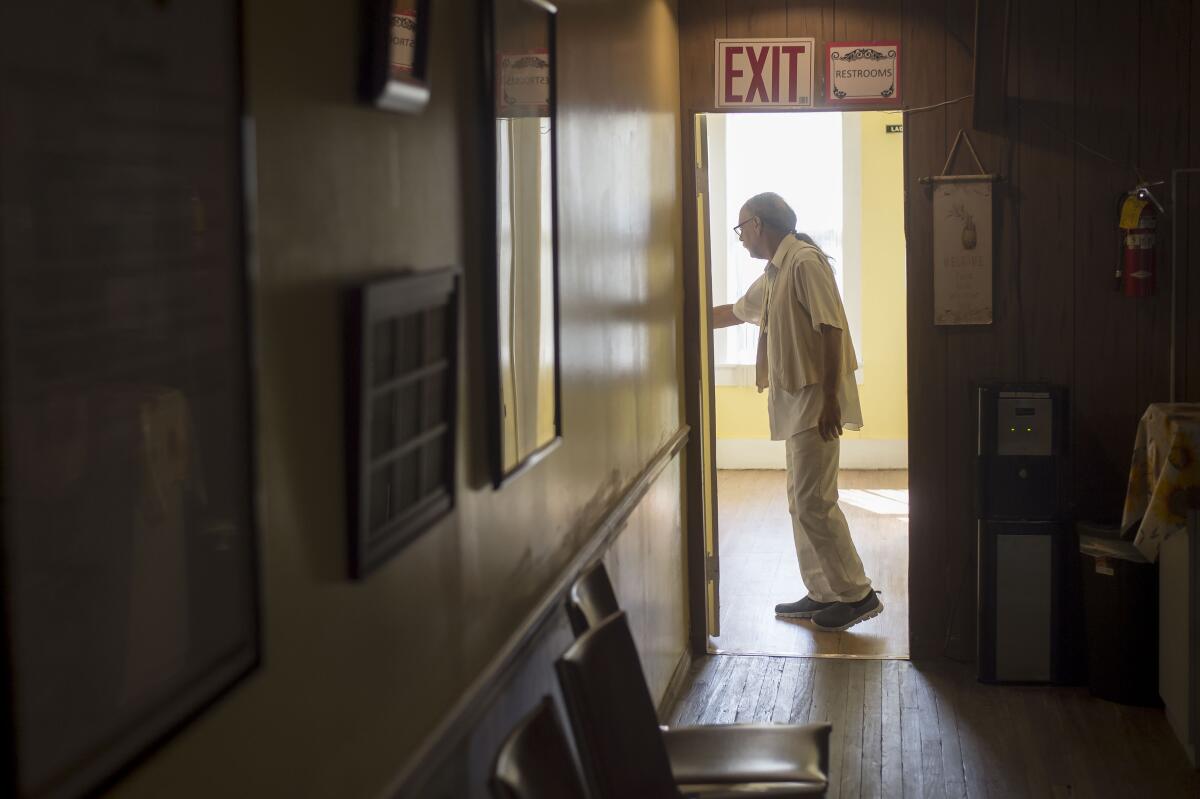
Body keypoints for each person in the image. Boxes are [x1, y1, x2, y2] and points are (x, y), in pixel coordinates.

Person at [712, 192, 881, 632]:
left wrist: (830, 399)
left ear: (759, 226)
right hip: (795, 401)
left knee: (814, 502)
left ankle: (857, 593)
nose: (740, 236)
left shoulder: (804, 262)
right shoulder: (774, 272)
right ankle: (823, 590)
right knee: (799, 501)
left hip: (815, 400)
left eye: (741, 227)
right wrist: (674, 313)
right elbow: (735, 312)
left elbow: (831, 329)